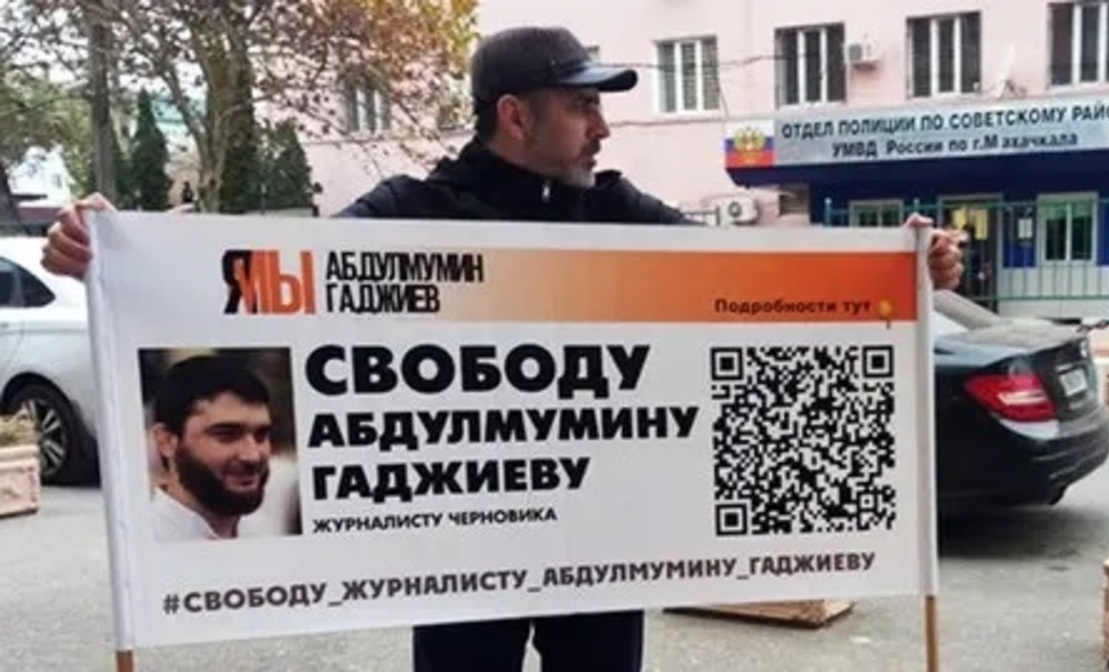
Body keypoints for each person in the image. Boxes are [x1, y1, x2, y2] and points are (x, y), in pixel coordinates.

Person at [41, 24, 963, 672]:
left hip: (601, 555)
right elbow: (261, 280)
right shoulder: (410, 213)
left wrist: (905, 274)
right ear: (514, 115)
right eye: (580, 107)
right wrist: (116, 254)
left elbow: (760, 282)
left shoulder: (620, 213)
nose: (603, 128)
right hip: (462, 559)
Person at [147, 354, 276, 543]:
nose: (252, 456)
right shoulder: (138, 545)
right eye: (226, 435)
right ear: (166, 441)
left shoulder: (266, 533)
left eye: (261, 435)